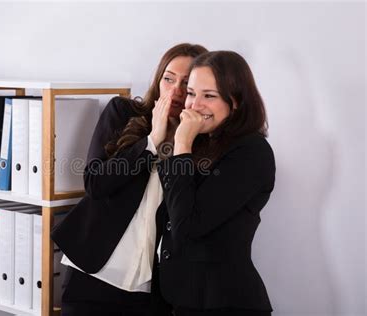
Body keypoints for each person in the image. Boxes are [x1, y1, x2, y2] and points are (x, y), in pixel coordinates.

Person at [51, 43, 208, 316]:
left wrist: (183, 141)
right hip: (93, 274)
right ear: (158, 80)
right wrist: (151, 142)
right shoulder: (122, 113)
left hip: (153, 290)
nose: (175, 91)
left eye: (187, 83)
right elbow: (95, 183)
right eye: (168, 79)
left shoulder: (201, 143)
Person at [154, 51, 276, 316]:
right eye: (191, 93)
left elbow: (188, 227)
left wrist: (182, 145)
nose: (194, 105)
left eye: (209, 96)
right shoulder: (202, 143)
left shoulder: (252, 152)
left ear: (236, 102)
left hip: (224, 302)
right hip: (183, 297)